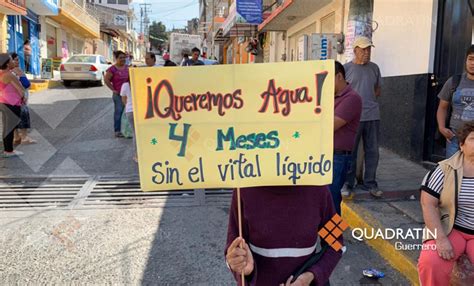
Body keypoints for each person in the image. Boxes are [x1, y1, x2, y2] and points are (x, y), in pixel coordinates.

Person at [225, 186, 342, 285]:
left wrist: (312, 275)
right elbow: (232, 249)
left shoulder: (320, 189)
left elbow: (337, 243)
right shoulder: (243, 190)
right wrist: (241, 267)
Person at [418, 121, 474, 285]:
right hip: (452, 229)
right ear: (462, 145)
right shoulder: (444, 169)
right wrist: (440, 239)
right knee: (431, 262)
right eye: (473, 139)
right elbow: (428, 204)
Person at [341, 36, 383, 198]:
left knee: (373, 151)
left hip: (372, 115)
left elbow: (377, 90)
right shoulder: (346, 69)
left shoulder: (374, 68)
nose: (366, 52)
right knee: (349, 151)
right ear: (355, 50)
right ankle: (348, 184)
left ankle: (370, 183)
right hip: (352, 118)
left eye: (369, 49)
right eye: (363, 49)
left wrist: (369, 101)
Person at [329, 61, 362, 214]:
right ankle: (327, 238)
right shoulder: (329, 96)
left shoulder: (352, 98)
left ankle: (334, 238)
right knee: (324, 201)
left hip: (338, 157)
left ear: (339, 76)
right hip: (324, 156)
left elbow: (331, 125)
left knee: (332, 201)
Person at [437, 45, 474, 158]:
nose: (473, 63)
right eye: (471, 59)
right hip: (454, 138)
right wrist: (442, 128)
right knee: (453, 172)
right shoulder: (454, 81)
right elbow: (442, 107)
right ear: (466, 60)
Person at [0, 53, 26, 157]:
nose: (13, 62)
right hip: (12, 104)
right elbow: (21, 89)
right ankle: (9, 151)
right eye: (11, 60)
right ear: (6, 63)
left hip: (3, 102)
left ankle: (7, 150)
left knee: (6, 127)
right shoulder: (9, 75)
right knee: (10, 128)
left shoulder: (2, 74)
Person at [11, 53, 35, 145]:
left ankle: (16, 137)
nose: (17, 61)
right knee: (23, 117)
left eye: (18, 59)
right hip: (18, 99)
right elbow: (23, 85)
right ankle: (23, 137)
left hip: (15, 99)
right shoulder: (14, 72)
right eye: (15, 60)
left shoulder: (15, 71)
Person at [105, 50, 129, 138]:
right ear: (116, 59)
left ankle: (128, 130)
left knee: (128, 112)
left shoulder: (128, 68)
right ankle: (117, 131)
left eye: (124, 57)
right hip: (118, 95)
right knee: (118, 112)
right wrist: (113, 90)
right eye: (120, 58)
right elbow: (106, 80)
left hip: (128, 95)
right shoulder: (112, 69)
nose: (123, 59)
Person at [120, 81, 137, 163]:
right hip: (142, 111)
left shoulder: (125, 85)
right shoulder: (141, 81)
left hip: (130, 111)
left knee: (135, 134)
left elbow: (124, 100)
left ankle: (137, 155)